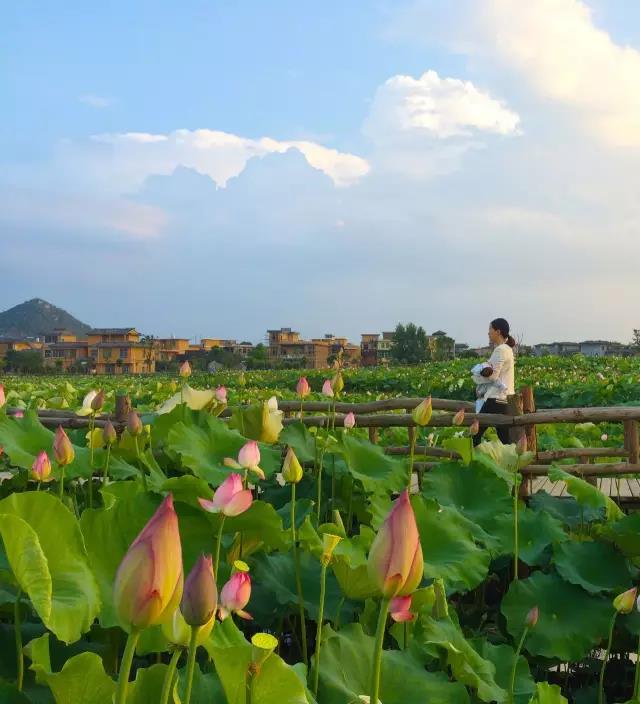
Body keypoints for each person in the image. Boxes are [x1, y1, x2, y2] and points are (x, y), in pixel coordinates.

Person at [472, 318, 516, 446]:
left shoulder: (500, 350)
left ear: (498, 331)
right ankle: (510, 463)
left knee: (475, 433)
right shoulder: (507, 349)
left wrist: (479, 372)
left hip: (495, 398)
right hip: (503, 399)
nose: (488, 332)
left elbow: (492, 376)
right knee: (504, 438)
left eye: (490, 329)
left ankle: (474, 461)